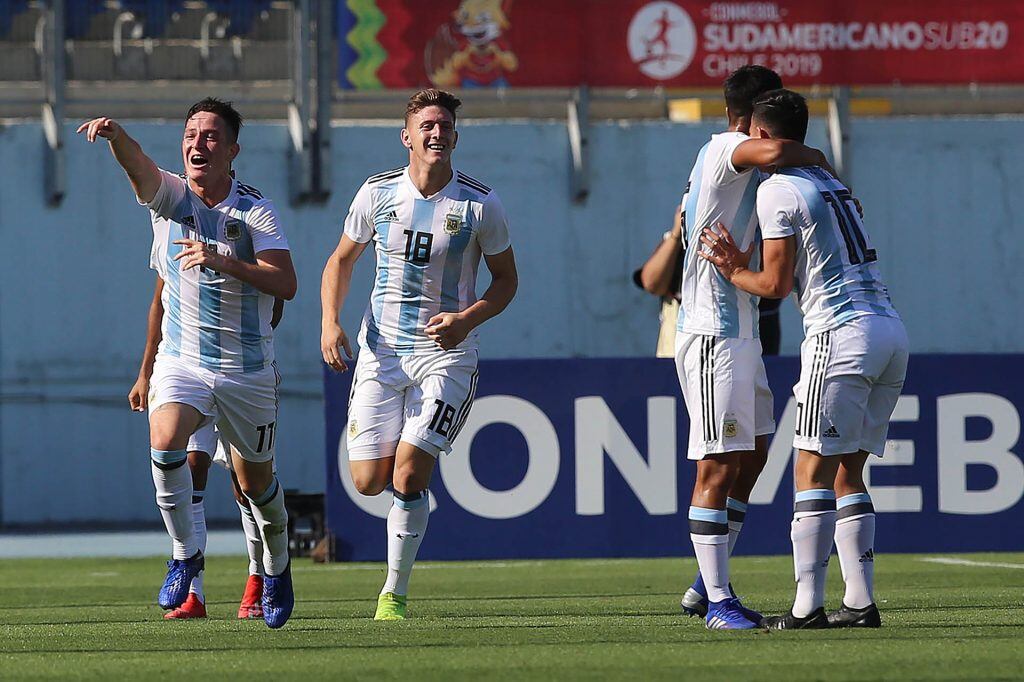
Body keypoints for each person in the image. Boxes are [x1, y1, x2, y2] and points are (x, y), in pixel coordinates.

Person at [78, 97, 298, 629]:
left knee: (256, 486)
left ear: (233, 151)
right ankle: (185, 557)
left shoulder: (254, 211)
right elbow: (140, 169)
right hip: (184, 361)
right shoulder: (170, 199)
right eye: (191, 135)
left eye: (211, 136)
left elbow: (286, 283)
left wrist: (225, 260)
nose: (198, 144)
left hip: (246, 371)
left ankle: (275, 568)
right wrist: (117, 138)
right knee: (166, 441)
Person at [698, 88, 907, 629]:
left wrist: (731, 268)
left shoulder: (778, 189)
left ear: (762, 134)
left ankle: (806, 607)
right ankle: (859, 603)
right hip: (889, 329)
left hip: (839, 334)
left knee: (811, 469)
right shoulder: (832, 182)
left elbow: (774, 285)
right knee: (848, 472)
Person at [321, 88, 518, 621]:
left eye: (445, 126)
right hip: (381, 352)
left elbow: (506, 281)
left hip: (445, 355)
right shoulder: (377, 193)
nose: (437, 133)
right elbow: (340, 261)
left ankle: (394, 593)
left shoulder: (480, 204)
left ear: (455, 136)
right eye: (427, 125)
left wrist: (466, 320)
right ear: (406, 137)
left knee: (408, 475)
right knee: (368, 481)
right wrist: (330, 322)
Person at [673, 65, 833, 629]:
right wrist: (820, 160)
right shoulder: (727, 149)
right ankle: (719, 602)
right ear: (755, 119)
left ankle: (705, 584)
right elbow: (778, 151)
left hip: (740, 331)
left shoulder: (738, 163)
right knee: (717, 464)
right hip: (712, 333)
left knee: (756, 452)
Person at [129, 276, 285, 619]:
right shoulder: (172, 245)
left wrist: (235, 333)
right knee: (191, 463)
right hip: (188, 373)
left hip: (238, 375)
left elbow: (277, 299)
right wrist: (145, 372)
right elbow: (159, 303)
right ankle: (192, 591)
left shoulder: (252, 245)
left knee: (247, 486)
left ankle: (258, 578)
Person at [633, 207, 782, 357]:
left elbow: (775, 284)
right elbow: (651, 283)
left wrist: (737, 271)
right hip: (676, 351)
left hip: (748, 347)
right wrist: (676, 234)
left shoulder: (757, 238)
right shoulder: (682, 239)